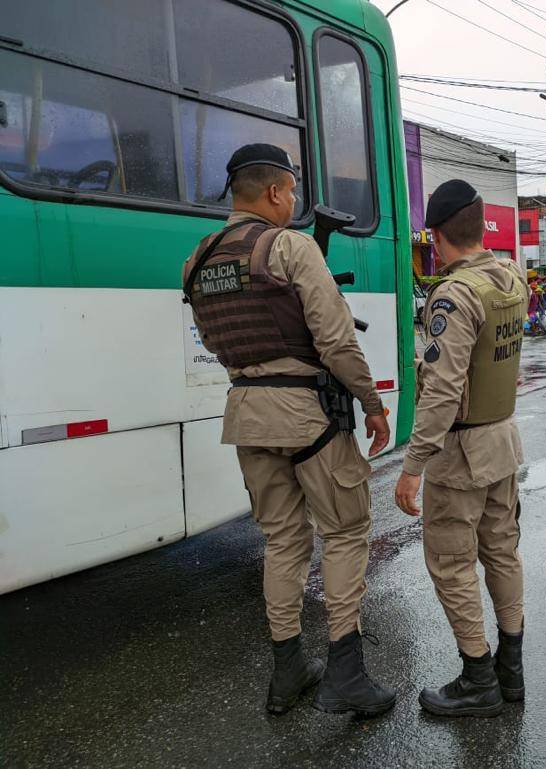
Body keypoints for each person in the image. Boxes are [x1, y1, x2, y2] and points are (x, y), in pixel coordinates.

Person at [182, 144, 394, 718]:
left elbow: (221, 342)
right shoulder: (291, 247)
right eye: (292, 193)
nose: (294, 202)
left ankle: (287, 672)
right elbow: (335, 340)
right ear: (275, 192)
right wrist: (372, 403)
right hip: (308, 414)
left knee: (282, 539)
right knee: (347, 531)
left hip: (246, 413)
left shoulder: (198, 260)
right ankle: (346, 673)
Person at [393, 180, 529, 718]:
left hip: (461, 452)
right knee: (502, 551)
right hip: (502, 442)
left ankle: (478, 678)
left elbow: (442, 392)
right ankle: (510, 671)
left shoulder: (453, 295)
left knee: (451, 564)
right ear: (480, 227)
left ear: (435, 234)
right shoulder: (510, 278)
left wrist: (411, 468)